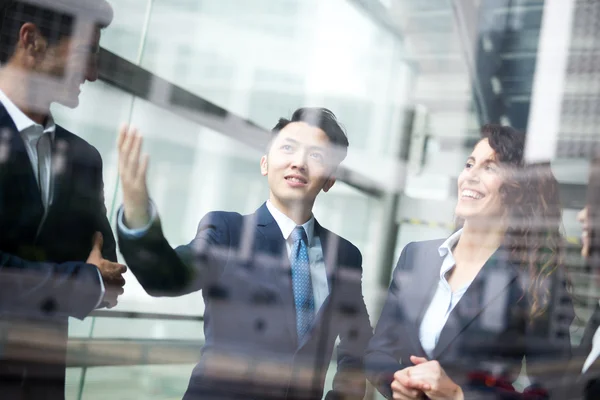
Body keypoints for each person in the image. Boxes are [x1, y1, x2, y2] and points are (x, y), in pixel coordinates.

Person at [116, 107, 373, 399]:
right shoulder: (228, 232)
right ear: (265, 164)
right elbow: (168, 277)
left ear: (329, 179)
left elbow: (357, 339)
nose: (298, 162)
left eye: (315, 156)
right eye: (288, 148)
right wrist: (138, 219)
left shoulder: (345, 256)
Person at [365, 124, 574, 399]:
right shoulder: (416, 257)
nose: (471, 176)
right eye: (469, 164)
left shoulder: (536, 281)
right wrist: (397, 382)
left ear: (520, 191)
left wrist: (458, 396)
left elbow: (552, 391)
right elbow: (379, 350)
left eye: (490, 168)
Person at [0, 1, 126, 398]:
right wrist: (79, 279)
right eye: (87, 52)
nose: (93, 72)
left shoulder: (84, 158)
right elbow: (91, 277)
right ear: (31, 40)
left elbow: (108, 274)